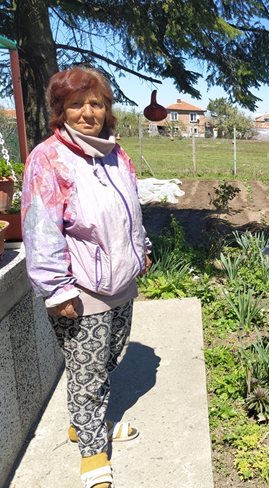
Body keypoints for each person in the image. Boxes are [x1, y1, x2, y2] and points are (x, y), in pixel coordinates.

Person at [21, 66, 151, 488]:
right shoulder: (49, 158)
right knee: (86, 373)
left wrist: (142, 250)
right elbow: (41, 228)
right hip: (80, 289)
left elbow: (131, 210)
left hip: (121, 283)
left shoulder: (117, 154)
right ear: (60, 110)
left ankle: (85, 423)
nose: (87, 112)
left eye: (96, 103)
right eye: (76, 104)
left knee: (108, 359)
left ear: (107, 109)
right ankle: (92, 450)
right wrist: (56, 289)